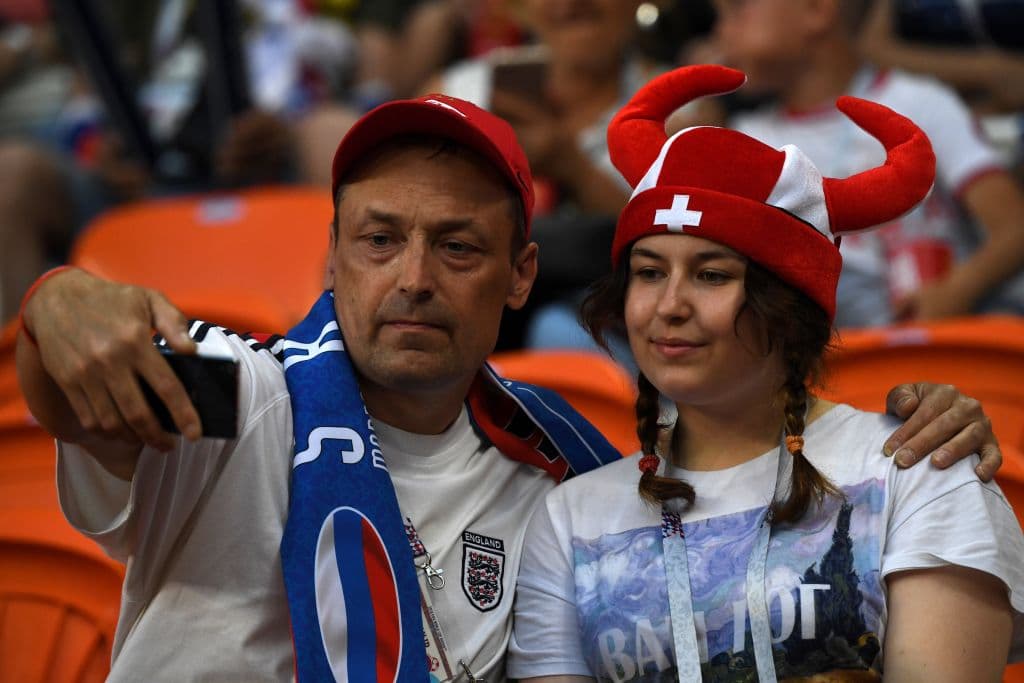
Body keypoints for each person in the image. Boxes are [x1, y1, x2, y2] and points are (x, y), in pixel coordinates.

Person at [14, 91, 1008, 680]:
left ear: (520, 275)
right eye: (379, 240)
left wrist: (915, 420)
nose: (412, 278)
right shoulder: (244, 397)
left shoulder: (557, 470)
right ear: (331, 256)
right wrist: (55, 306)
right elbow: (77, 386)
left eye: (457, 246)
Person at [507, 65, 1024, 682]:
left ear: (789, 305)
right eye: (648, 272)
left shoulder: (917, 469)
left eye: (711, 275)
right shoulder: (570, 519)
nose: (669, 305)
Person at [709, 0, 1024, 327]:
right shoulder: (746, 139)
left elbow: (1014, 229)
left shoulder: (918, 101)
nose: (720, 31)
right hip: (836, 351)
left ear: (817, 10)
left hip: (944, 339)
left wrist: (958, 289)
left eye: (737, 9)